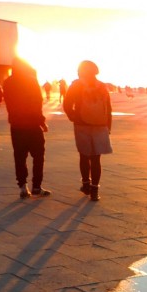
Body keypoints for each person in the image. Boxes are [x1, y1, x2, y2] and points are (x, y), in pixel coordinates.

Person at [63, 60, 112, 201]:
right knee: (96, 158)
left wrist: (73, 116)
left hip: (81, 124)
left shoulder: (76, 85)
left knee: (84, 156)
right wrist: (108, 126)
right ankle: (95, 190)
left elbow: (67, 104)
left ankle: (86, 185)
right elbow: (108, 108)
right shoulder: (102, 86)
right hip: (100, 125)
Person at [3, 58, 50, 199]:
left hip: (16, 125)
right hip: (32, 124)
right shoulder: (31, 80)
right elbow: (37, 103)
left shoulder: (8, 82)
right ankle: (36, 186)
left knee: (19, 156)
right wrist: (42, 122)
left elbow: (8, 102)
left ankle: (23, 187)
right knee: (38, 156)